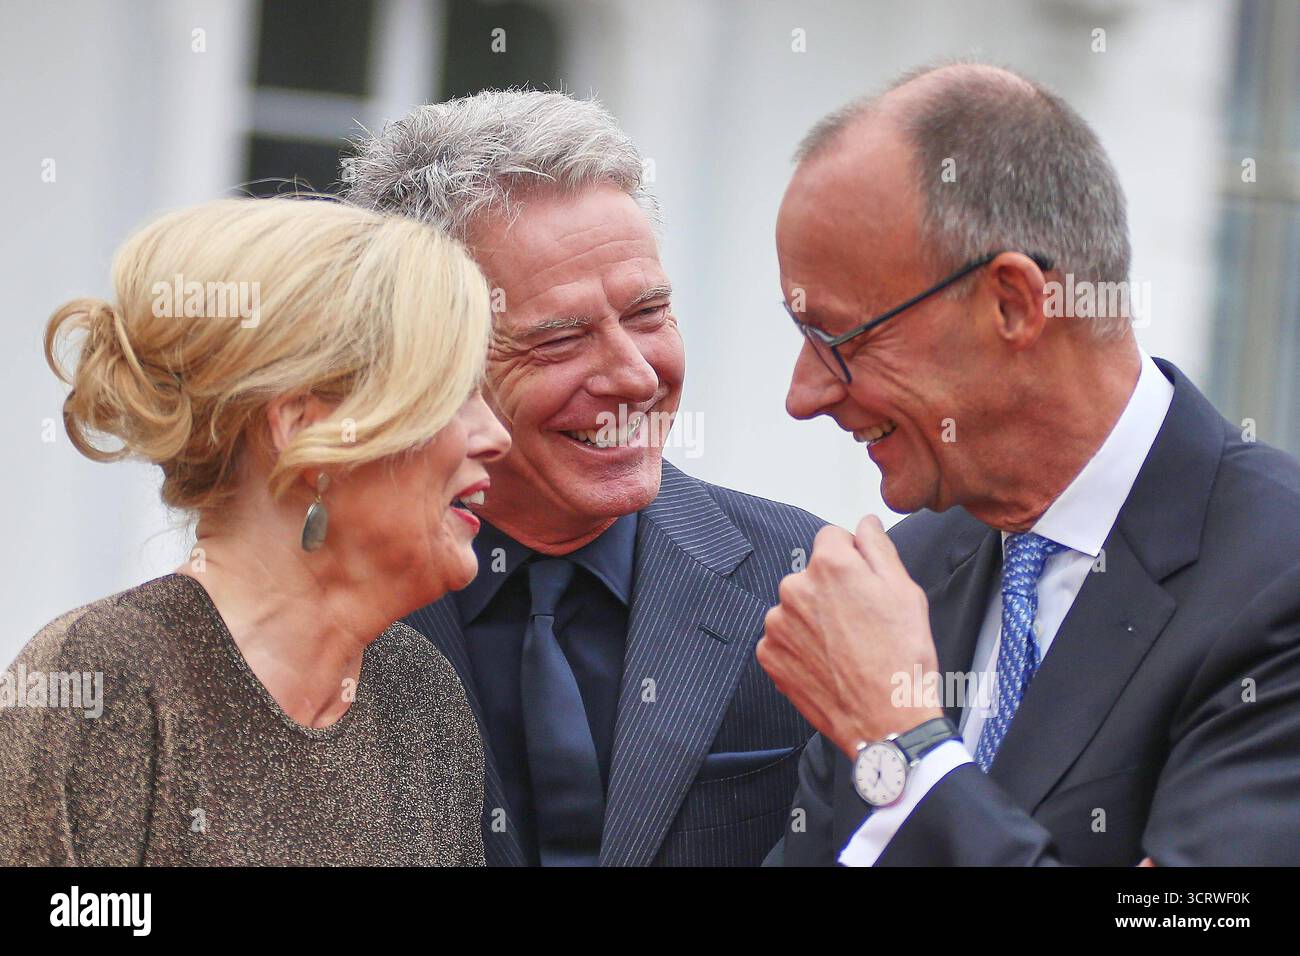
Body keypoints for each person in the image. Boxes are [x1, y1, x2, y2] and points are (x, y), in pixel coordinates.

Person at [758, 62, 1300, 865]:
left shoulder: (1276, 578)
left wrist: (902, 742)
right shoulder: (908, 574)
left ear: (1012, 302)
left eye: (838, 340)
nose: (803, 396)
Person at [346, 90, 825, 866]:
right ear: (425, 357)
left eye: (648, 313)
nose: (635, 376)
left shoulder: (809, 580)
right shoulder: (329, 610)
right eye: (561, 338)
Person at [0, 197, 510, 865]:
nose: (496, 437)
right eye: (453, 394)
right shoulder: (108, 680)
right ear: (304, 430)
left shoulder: (421, 699)